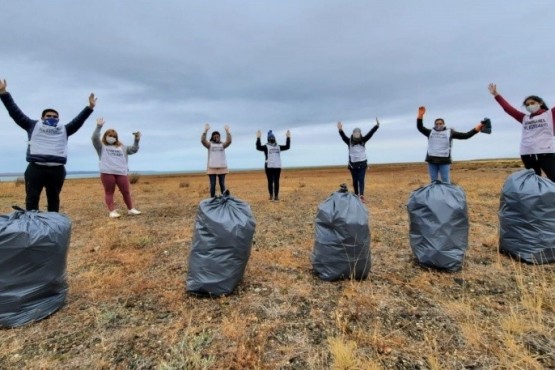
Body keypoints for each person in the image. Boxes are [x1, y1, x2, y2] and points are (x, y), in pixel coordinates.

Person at [0, 78, 96, 212]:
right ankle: (33, 226)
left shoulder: (65, 129)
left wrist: (90, 108)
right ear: (42, 118)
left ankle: (53, 226)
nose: (52, 117)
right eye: (48, 115)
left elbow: (78, 121)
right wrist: (3, 93)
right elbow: (15, 113)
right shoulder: (32, 125)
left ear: (58, 119)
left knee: (54, 199)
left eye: (55, 116)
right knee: (32, 199)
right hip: (35, 169)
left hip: (56, 170)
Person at [488, 83, 555, 181]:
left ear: (540, 103)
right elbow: (509, 109)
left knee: (553, 177)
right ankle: (538, 196)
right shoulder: (524, 118)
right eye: (527, 105)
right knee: (533, 180)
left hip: (545, 151)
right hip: (527, 152)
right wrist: (496, 95)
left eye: (532, 103)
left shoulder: (549, 114)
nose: (529, 106)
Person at [417, 106, 483, 184]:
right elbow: (420, 127)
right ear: (434, 125)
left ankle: (447, 195)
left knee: (445, 181)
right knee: (433, 182)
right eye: (437, 124)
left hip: (444, 161)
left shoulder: (450, 132)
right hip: (432, 160)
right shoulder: (430, 132)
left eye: (440, 123)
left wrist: (476, 129)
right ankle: (435, 195)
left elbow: (465, 135)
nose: (439, 125)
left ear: (444, 124)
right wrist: (420, 116)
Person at [92, 118, 142, 218]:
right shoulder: (101, 146)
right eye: (110, 136)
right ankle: (112, 211)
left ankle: (131, 209)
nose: (112, 138)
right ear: (105, 136)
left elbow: (133, 150)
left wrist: (136, 140)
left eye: (114, 136)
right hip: (107, 172)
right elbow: (94, 138)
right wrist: (98, 127)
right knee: (109, 192)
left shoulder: (122, 147)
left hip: (121, 172)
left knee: (126, 191)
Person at [337, 119, 380, 202]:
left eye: (358, 133)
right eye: (355, 133)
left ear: (360, 134)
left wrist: (376, 126)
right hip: (353, 165)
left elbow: (371, 133)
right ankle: (356, 194)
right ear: (353, 134)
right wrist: (340, 129)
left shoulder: (363, 140)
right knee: (355, 180)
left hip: (362, 164)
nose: (357, 134)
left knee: (361, 179)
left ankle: (361, 195)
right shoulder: (349, 141)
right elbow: (343, 136)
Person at [256, 129, 291, 201]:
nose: (272, 139)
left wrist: (288, 137)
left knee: (276, 181)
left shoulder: (278, 147)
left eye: (273, 138)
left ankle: (276, 196)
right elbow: (258, 147)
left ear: (274, 139)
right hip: (269, 166)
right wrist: (258, 138)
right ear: (268, 139)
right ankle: (271, 195)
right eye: (270, 138)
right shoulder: (266, 147)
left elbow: (287, 146)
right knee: (270, 181)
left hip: (277, 166)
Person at [201, 123, 231, 197]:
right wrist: (205, 131)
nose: (217, 138)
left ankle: (225, 199)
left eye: (218, 136)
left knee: (222, 184)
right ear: (212, 137)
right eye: (215, 136)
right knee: (213, 184)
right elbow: (203, 141)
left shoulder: (223, 145)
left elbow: (229, 141)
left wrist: (227, 132)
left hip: (222, 167)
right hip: (212, 167)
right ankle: (212, 200)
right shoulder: (209, 145)